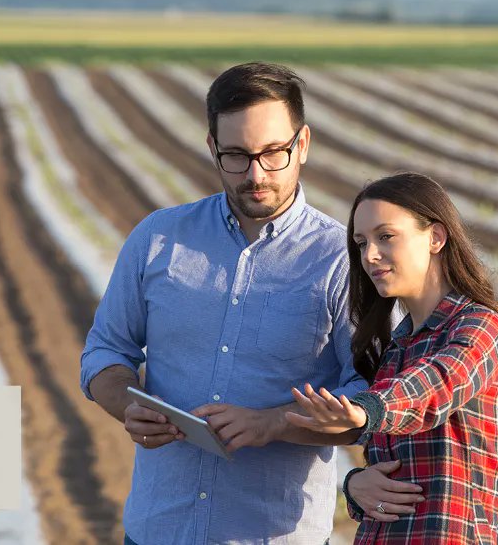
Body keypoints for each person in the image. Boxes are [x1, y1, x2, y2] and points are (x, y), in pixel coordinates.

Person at [80, 62, 371, 544]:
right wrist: (124, 404)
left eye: (273, 153)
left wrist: (273, 424)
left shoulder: (342, 260)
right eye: (235, 155)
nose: (255, 174)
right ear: (212, 147)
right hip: (157, 529)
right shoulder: (158, 238)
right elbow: (106, 350)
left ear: (303, 144)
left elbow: (367, 405)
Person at [286, 172, 498, 544]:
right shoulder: (397, 348)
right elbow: (388, 472)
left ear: (435, 237)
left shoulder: (480, 327)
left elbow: (436, 384)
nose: (369, 255)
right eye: (360, 242)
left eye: (385, 236)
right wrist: (355, 485)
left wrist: (368, 408)